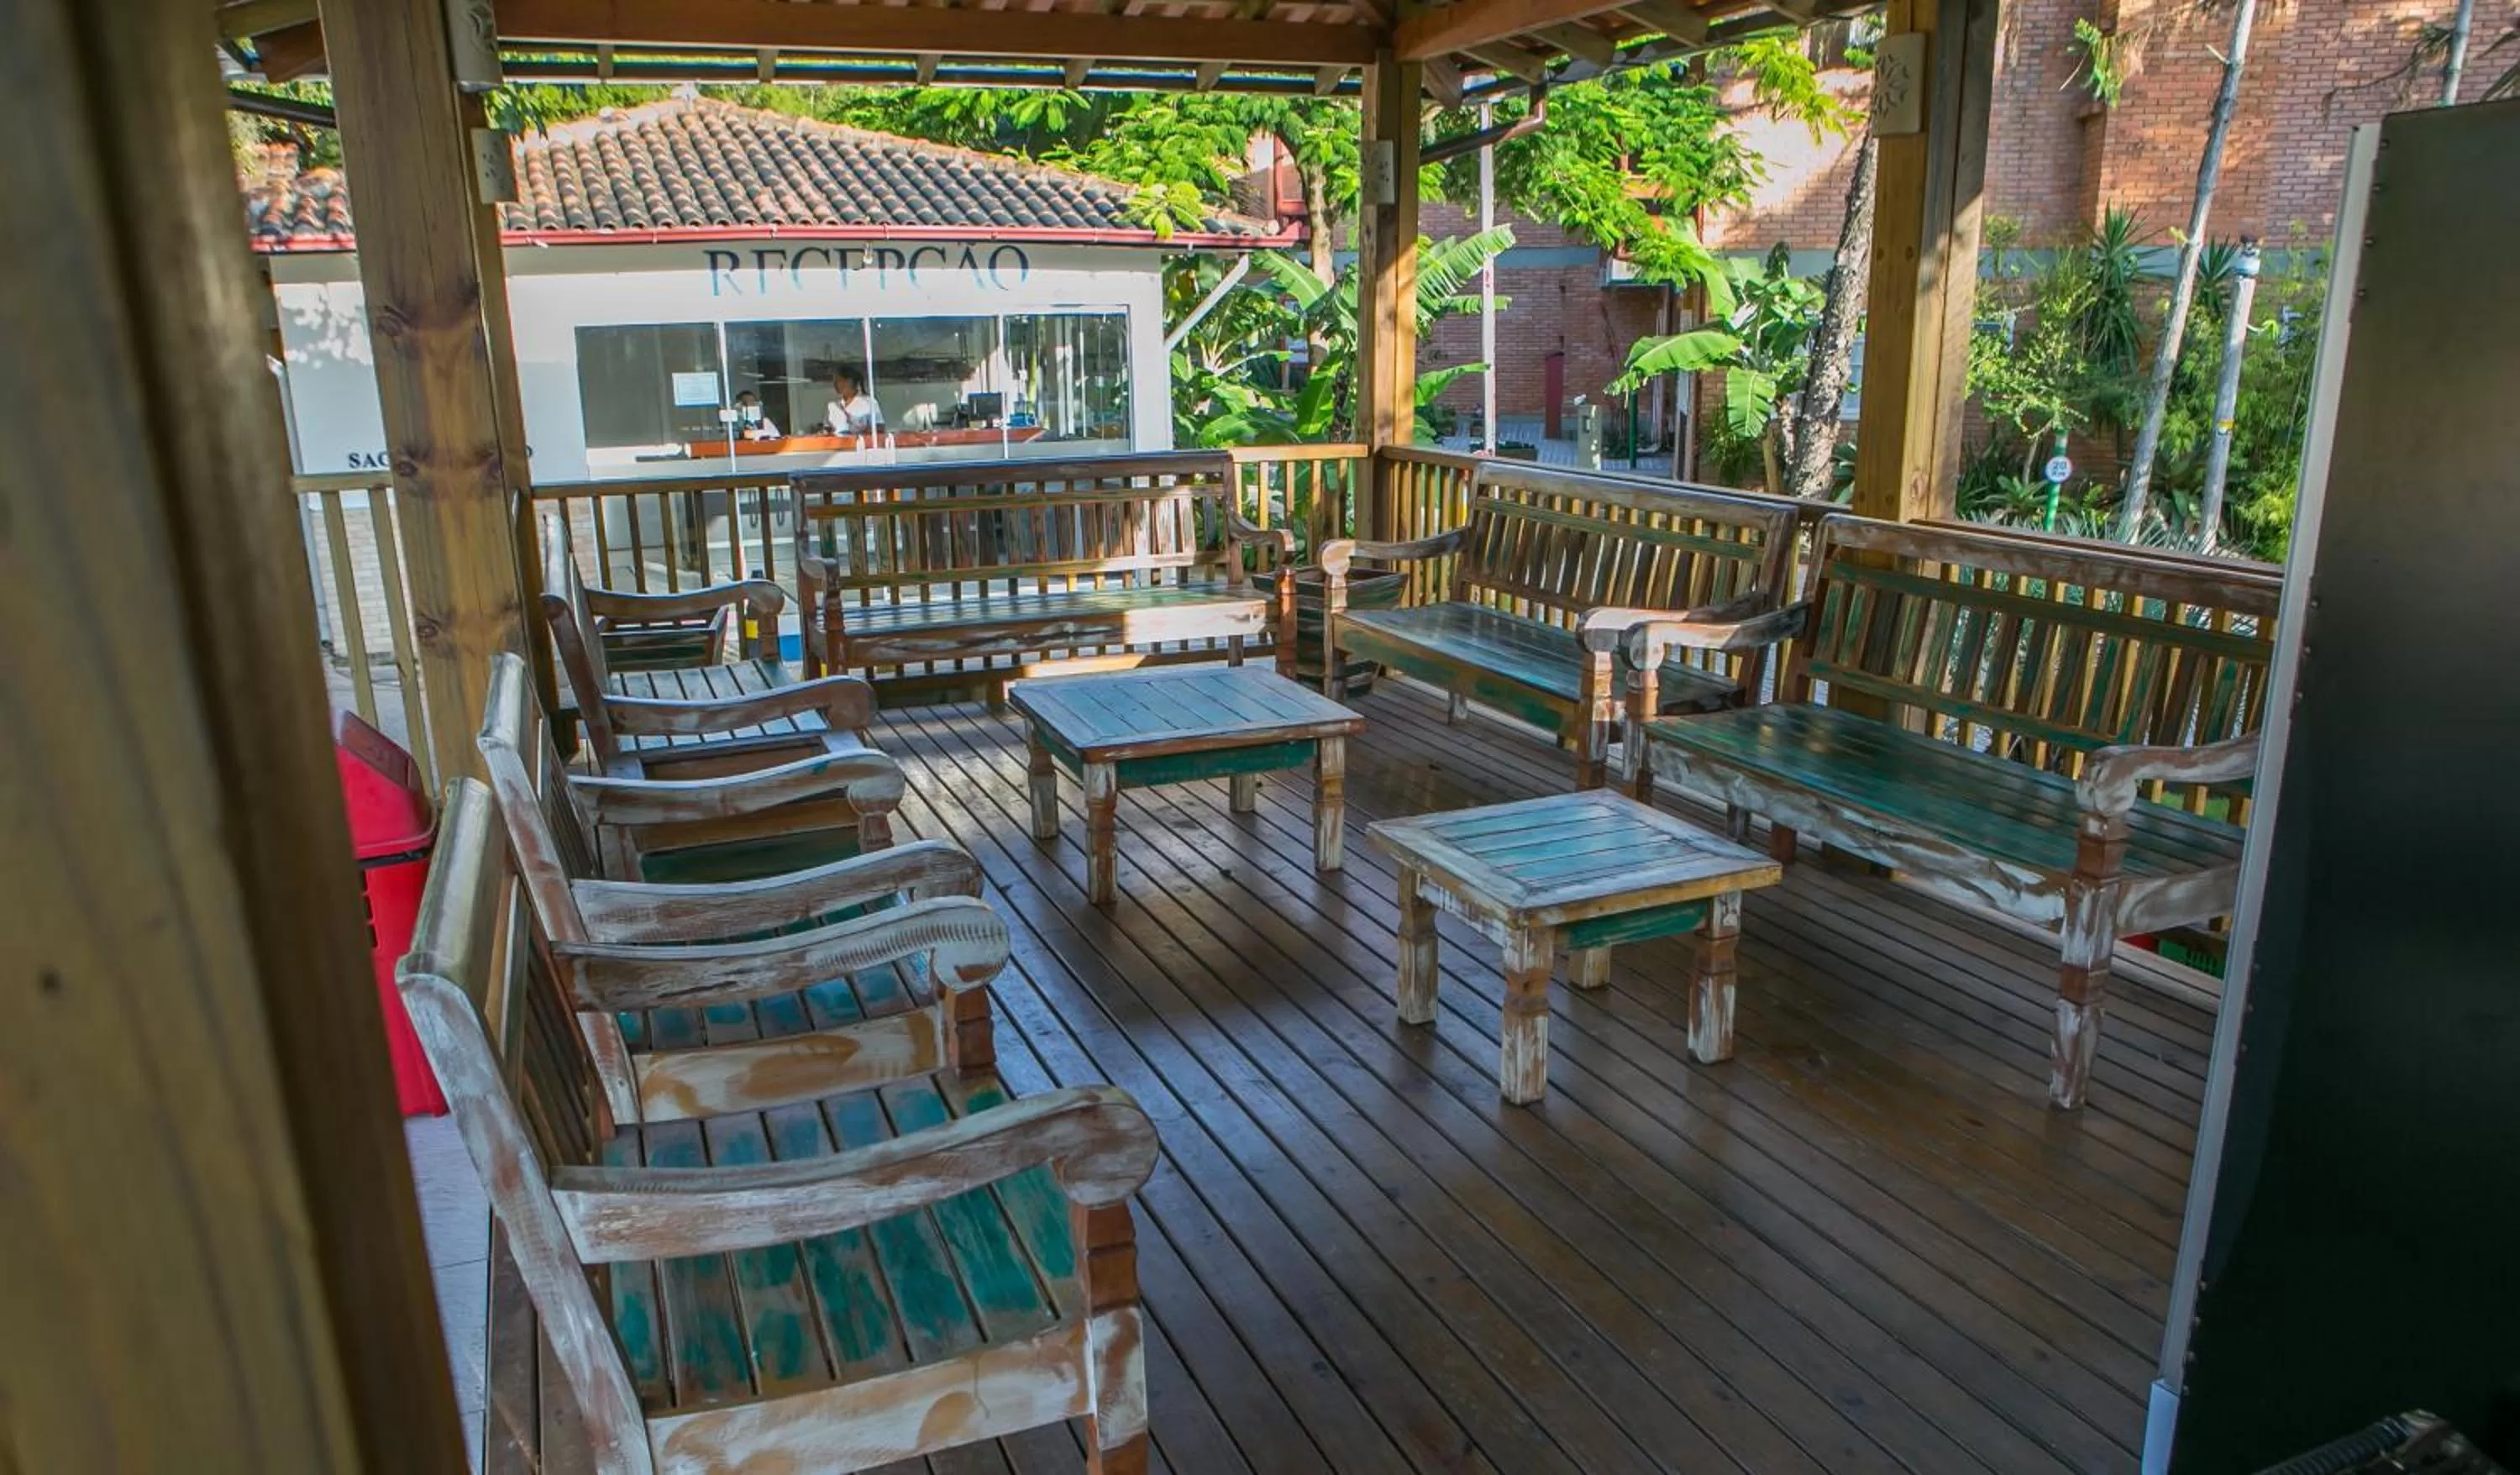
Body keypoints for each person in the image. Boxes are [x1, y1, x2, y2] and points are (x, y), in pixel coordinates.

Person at [825, 370, 885, 436]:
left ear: (852, 382)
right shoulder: (834, 405)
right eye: (835, 382)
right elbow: (827, 429)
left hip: (860, 441)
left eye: (840, 381)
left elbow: (880, 428)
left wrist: (858, 431)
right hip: (837, 442)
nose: (836, 385)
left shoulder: (869, 402)